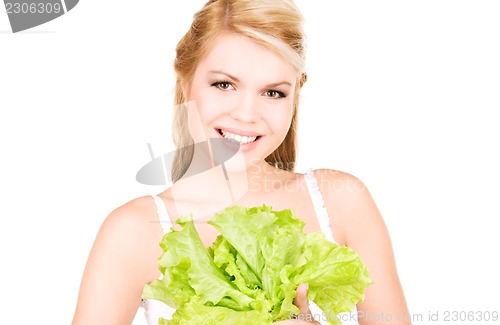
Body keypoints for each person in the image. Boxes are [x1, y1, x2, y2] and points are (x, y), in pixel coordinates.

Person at [72, 0, 411, 324]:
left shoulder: (343, 200)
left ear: (295, 96)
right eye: (224, 84)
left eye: (273, 92)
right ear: (186, 82)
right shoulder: (132, 231)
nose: (247, 114)